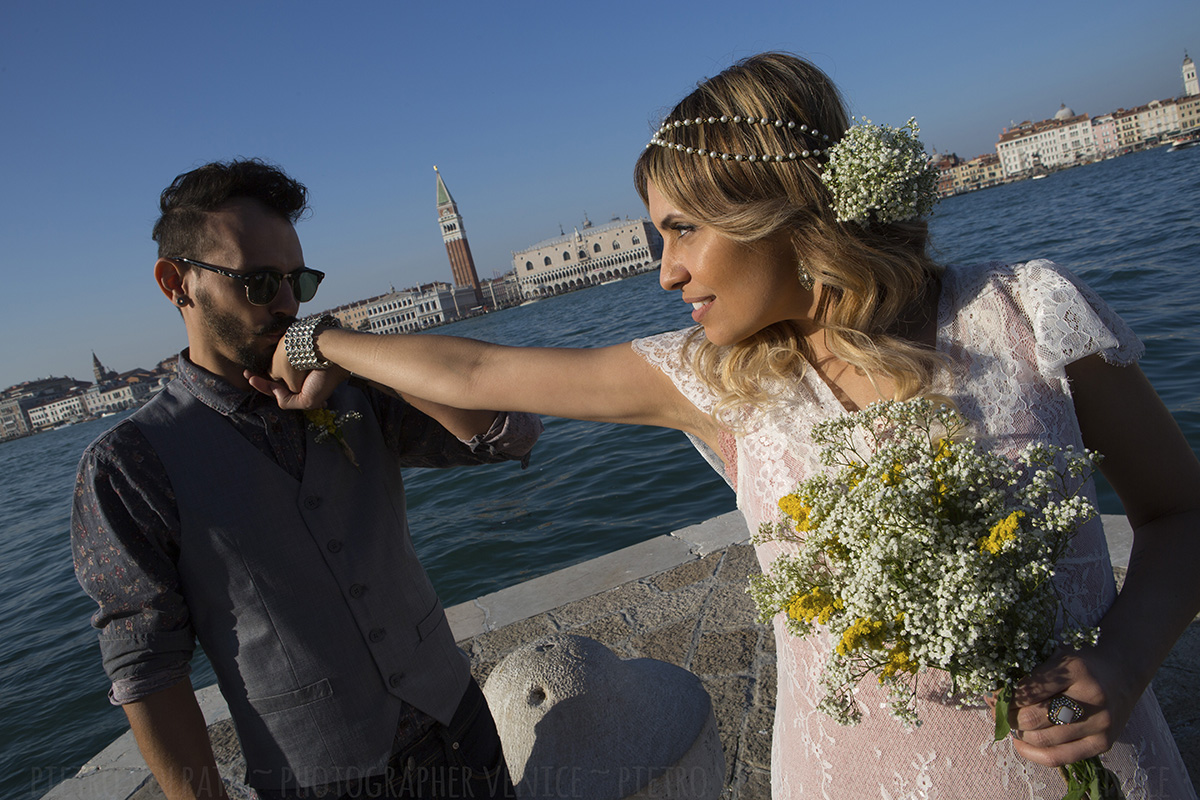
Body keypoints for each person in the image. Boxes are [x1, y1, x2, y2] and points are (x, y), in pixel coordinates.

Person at [253, 54, 1200, 798]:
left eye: (681, 230)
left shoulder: (1027, 317)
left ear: (779, 208)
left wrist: (1121, 662)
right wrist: (315, 336)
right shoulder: (713, 383)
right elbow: (476, 369)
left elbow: (1178, 517)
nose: (664, 271)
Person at [71, 159, 541, 800]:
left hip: (459, 730)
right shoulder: (128, 467)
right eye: (260, 282)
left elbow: (511, 432)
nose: (288, 304)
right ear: (176, 284)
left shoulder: (359, 391)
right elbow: (147, 667)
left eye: (300, 281)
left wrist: (349, 350)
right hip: (321, 782)